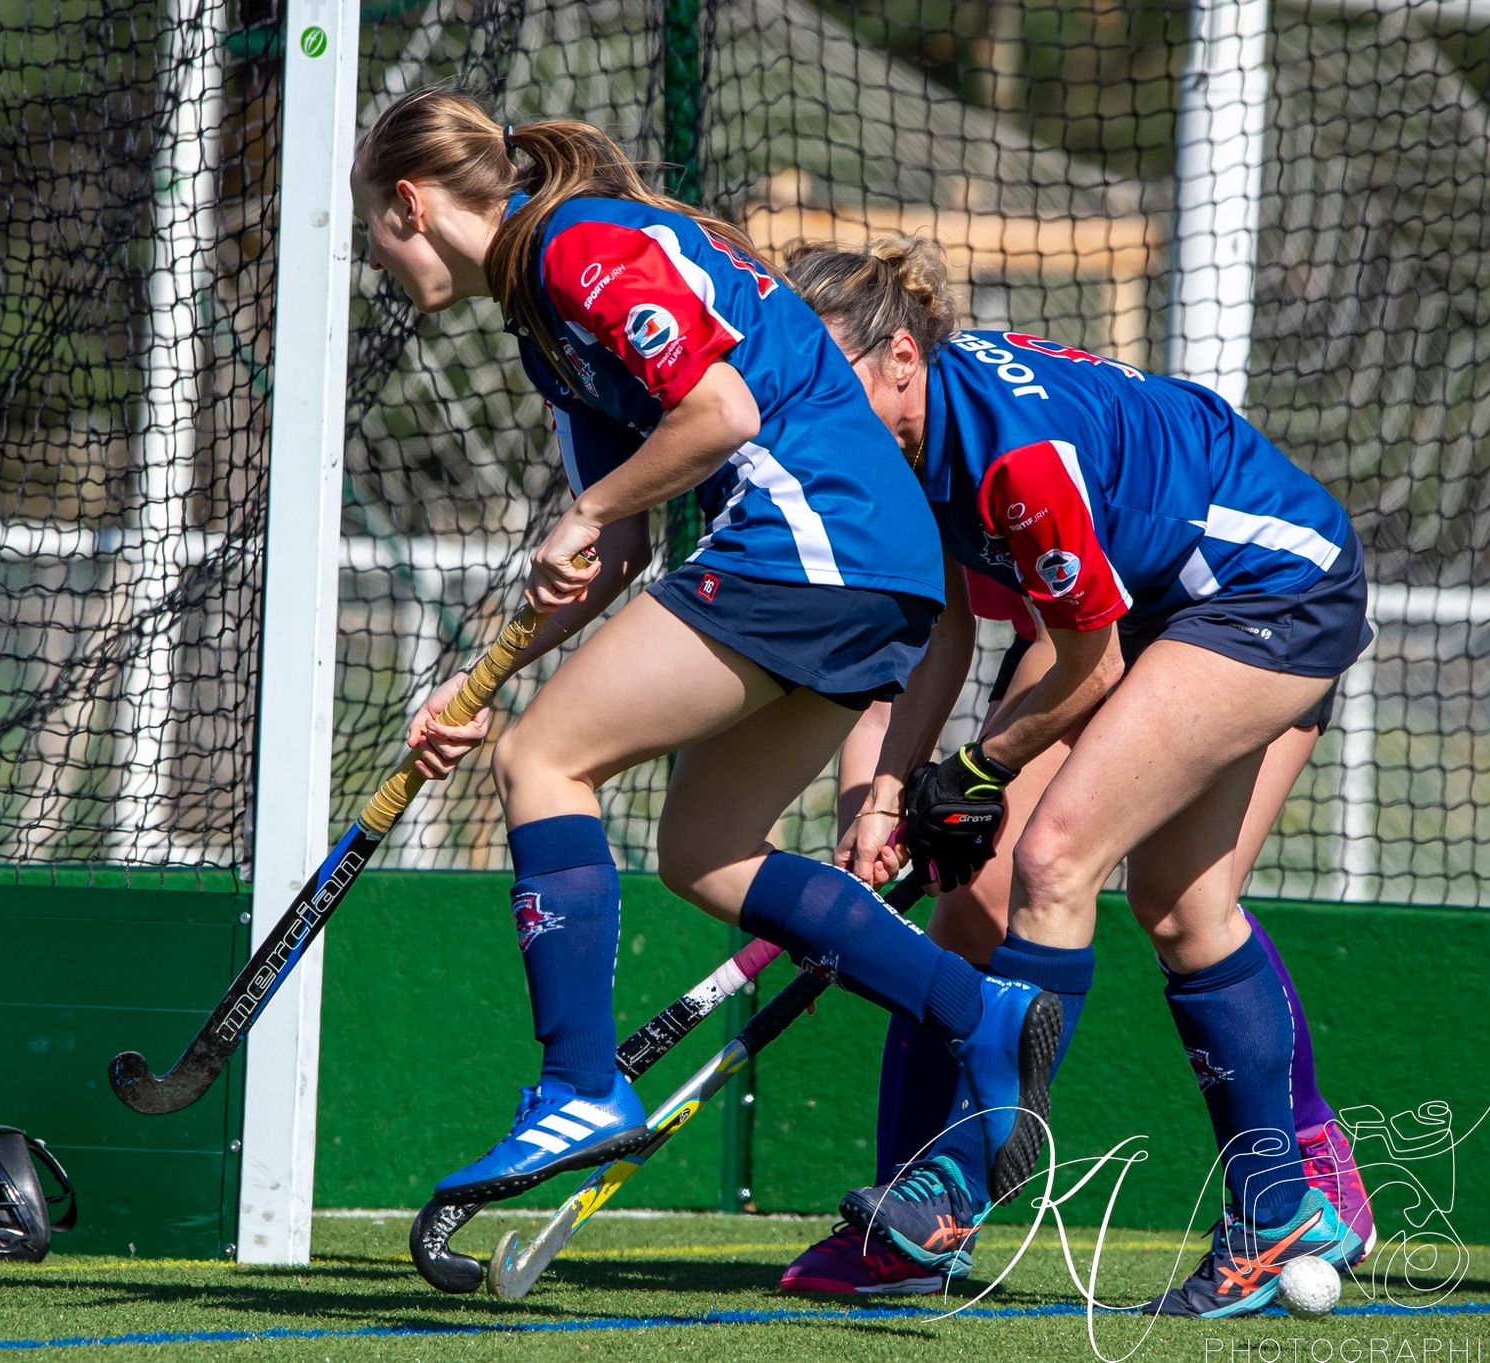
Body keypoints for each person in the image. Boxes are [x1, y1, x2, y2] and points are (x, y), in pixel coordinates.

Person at [349, 90, 1062, 1216]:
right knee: (706, 851)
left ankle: (578, 1086)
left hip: (811, 544)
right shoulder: (544, 327)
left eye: (372, 236)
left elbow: (719, 413)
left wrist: (585, 518)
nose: (378, 264)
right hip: (874, 572)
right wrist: (482, 676)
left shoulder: (578, 249)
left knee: (543, 765)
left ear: (408, 204)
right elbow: (618, 541)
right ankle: (981, 1014)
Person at [778, 237, 1373, 1318]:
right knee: (1044, 897)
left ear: (901, 359)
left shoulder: (1012, 458)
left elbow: (1086, 661)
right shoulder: (906, 445)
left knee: (1057, 859)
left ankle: (958, 1191)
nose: (809, 410)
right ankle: (916, 1234)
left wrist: (969, 768)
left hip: (1259, 585)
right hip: (1134, 603)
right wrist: (884, 796)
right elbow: (940, 635)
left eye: (830, 381)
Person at [790, 585, 1374, 1299]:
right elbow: (921, 641)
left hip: (1242, 613)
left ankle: (1308, 1155)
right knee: (973, 900)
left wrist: (969, 776)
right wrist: (869, 830)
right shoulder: (902, 492)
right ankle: (909, 1223)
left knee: (1184, 905)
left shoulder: (1001, 473)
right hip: (1074, 638)